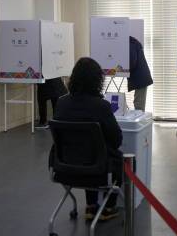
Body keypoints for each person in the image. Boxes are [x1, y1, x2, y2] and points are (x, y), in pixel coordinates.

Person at [53, 57, 123, 221]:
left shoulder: (61, 103)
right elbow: (116, 139)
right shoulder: (101, 106)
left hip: (64, 168)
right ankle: (108, 207)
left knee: (82, 151)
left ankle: (91, 205)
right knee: (114, 158)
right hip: (96, 170)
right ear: (97, 81)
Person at [128, 36, 153, 111]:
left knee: (139, 104)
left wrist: (122, 68)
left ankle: (139, 121)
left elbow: (132, 61)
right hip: (141, 76)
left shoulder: (130, 43)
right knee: (139, 102)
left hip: (140, 77)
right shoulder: (133, 41)